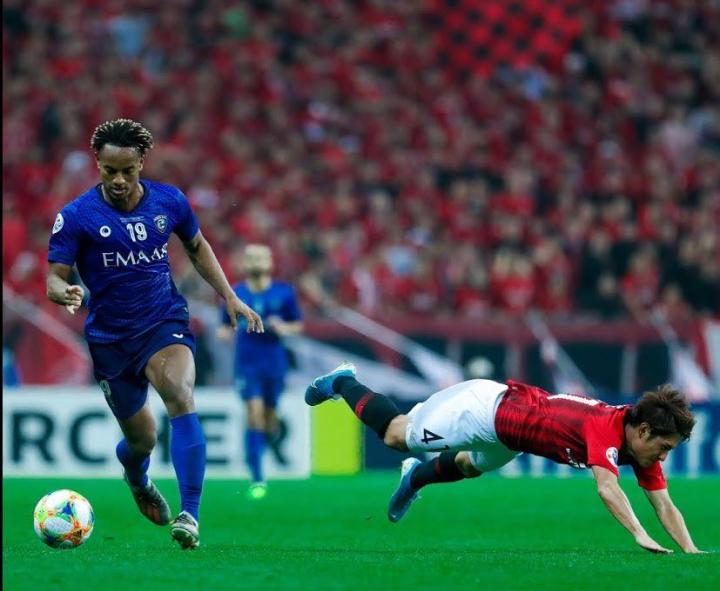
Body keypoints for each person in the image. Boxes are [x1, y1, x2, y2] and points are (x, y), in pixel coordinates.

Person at [46, 119, 264, 550]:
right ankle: (137, 477)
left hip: (163, 321)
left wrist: (229, 296)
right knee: (141, 440)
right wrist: (63, 291)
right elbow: (54, 276)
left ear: (142, 162)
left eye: (127, 170)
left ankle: (190, 515)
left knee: (180, 395)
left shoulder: (169, 201)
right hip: (110, 339)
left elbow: (197, 246)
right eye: (110, 171)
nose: (119, 180)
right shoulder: (76, 216)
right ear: (98, 164)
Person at [305, 362, 706, 554]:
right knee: (397, 435)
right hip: (481, 409)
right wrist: (638, 533)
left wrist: (690, 551)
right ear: (643, 431)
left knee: (469, 465)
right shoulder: (606, 429)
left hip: (510, 436)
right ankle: (343, 381)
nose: (663, 457)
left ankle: (414, 478)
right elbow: (606, 488)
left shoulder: (640, 446)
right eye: (664, 447)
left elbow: (664, 504)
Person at [218, 244, 303, 500]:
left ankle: (258, 448)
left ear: (269, 262)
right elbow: (223, 326)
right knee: (253, 413)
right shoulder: (235, 293)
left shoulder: (284, 292)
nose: (256, 262)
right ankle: (257, 477)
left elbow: (297, 325)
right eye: (251, 258)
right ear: (244, 264)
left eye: (261, 257)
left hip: (274, 363)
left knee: (269, 419)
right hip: (247, 364)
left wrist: (284, 328)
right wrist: (227, 332)